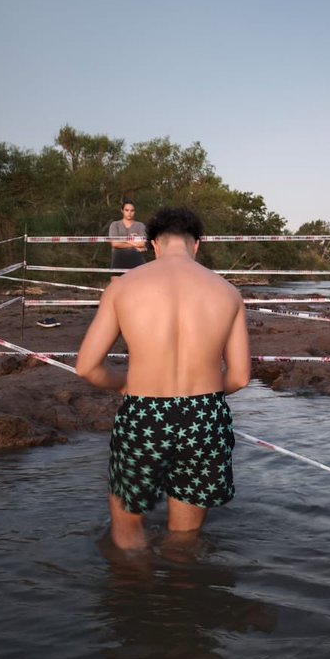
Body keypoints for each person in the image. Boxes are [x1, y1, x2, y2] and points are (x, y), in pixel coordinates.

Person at [76, 207, 251, 551]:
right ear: (196, 245)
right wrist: (208, 393)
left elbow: (87, 367)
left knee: (127, 533)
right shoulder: (228, 292)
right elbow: (241, 376)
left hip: (143, 413)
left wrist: (121, 384)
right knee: (184, 540)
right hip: (204, 415)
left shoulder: (123, 288)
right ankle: (182, 592)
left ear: (153, 245)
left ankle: (135, 593)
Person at [107, 199, 148, 273]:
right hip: (118, 262)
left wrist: (124, 240)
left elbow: (142, 244)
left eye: (132, 210)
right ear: (122, 211)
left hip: (137, 263)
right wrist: (135, 245)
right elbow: (115, 244)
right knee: (116, 284)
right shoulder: (115, 225)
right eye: (127, 210)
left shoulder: (140, 225)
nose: (129, 213)